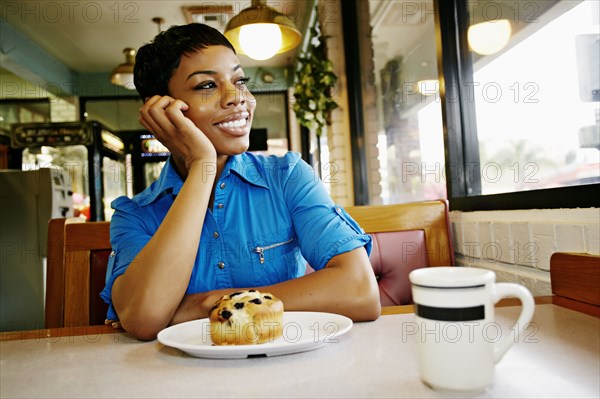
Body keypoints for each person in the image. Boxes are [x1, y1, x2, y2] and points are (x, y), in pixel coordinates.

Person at [100, 23, 380, 341]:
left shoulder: (288, 177)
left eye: (239, 80)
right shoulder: (135, 214)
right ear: (163, 111)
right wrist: (202, 166)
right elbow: (144, 321)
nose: (237, 98)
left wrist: (210, 303)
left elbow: (360, 292)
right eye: (206, 85)